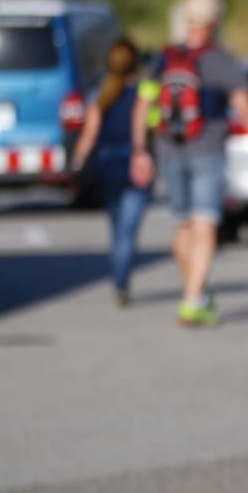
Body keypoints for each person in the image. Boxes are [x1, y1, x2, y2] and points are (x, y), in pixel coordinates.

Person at [128, 0, 248, 327]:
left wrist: (140, 150)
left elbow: (143, 106)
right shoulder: (221, 60)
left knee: (184, 225)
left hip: (169, 149)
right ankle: (193, 300)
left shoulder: (163, 60)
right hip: (207, 149)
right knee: (205, 225)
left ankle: (196, 293)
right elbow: (243, 103)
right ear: (214, 22)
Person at [69, 37, 152, 306]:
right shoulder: (142, 93)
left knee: (117, 229)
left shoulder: (99, 94)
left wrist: (77, 162)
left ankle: (119, 279)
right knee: (128, 232)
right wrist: (142, 153)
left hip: (106, 165)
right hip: (132, 163)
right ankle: (121, 283)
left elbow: (89, 134)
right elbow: (142, 126)